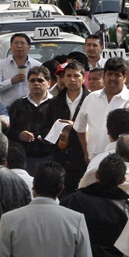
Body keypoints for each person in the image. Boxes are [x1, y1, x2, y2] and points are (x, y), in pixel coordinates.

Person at [73, 57, 129, 161]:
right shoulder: (91, 98)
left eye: (117, 75)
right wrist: (86, 151)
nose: (112, 78)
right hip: (94, 161)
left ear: (125, 77)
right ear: (104, 76)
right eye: (109, 74)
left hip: (124, 162)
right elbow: (80, 128)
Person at [45, 61, 90, 193]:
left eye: (76, 76)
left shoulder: (92, 100)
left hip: (83, 157)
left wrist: (75, 126)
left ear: (83, 77)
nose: (72, 79)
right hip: (61, 158)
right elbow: (45, 127)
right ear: (63, 78)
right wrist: (57, 131)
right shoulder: (54, 102)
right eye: (68, 76)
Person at [7, 66, 54, 174]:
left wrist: (50, 137)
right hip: (24, 159)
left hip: (49, 158)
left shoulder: (56, 104)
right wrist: (19, 135)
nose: (36, 83)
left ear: (49, 83)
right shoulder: (18, 105)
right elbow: (8, 131)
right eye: (32, 80)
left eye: (40, 80)